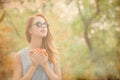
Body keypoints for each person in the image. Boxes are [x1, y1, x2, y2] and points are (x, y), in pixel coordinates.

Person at [12, 13, 61, 80]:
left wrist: (45, 65)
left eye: (45, 24)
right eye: (38, 24)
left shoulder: (53, 53)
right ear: (30, 30)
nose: (43, 26)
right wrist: (33, 66)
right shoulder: (19, 56)